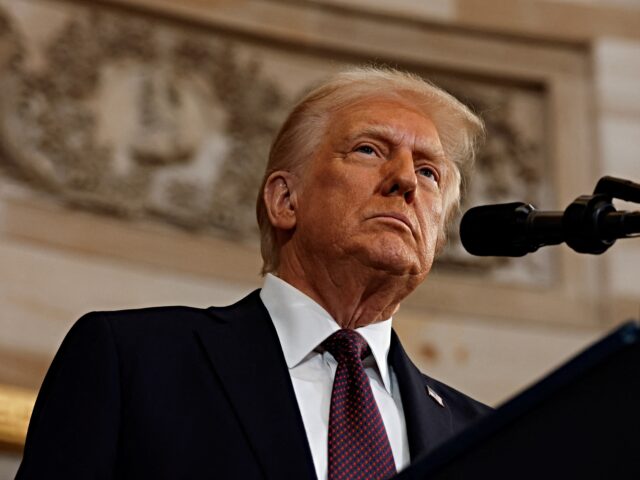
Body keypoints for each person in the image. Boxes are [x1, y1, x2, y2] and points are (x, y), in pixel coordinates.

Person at [17, 67, 490, 479]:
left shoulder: (482, 437)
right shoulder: (135, 362)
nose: (405, 179)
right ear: (285, 200)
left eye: (430, 173)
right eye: (368, 150)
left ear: (437, 236)